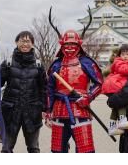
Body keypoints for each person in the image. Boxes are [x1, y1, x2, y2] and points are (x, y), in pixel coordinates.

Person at [47, 9, 103, 153]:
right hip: (59, 109)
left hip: (81, 109)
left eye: (73, 45)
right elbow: (50, 90)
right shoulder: (56, 65)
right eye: (66, 45)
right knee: (58, 151)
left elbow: (99, 83)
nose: (70, 48)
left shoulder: (87, 62)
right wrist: (48, 110)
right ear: (62, 45)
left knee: (85, 151)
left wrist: (88, 97)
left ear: (79, 45)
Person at [0, 31, 48, 153]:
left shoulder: (38, 65)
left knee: (33, 149)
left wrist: (44, 109)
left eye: (28, 41)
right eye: (22, 40)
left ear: (32, 44)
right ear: (17, 42)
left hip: (32, 112)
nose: (25, 44)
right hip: (11, 112)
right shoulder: (7, 63)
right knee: (6, 149)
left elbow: (44, 89)